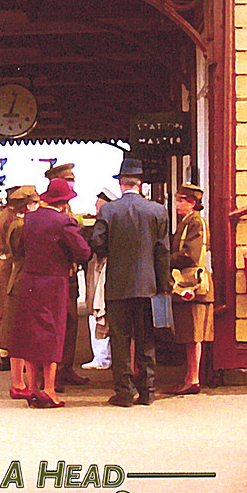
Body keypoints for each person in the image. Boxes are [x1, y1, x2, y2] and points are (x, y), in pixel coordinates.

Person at [90, 158, 170, 407]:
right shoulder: (157, 211)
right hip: (148, 286)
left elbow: (97, 243)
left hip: (117, 286)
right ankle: (147, 391)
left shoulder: (109, 211)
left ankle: (124, 392)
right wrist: (163, 287)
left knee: (120, 340)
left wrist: (112, 253)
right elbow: (162, 252)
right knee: (146, 339)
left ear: (121, 184)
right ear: (141, 183)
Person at [9, 178, 91, 408]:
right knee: (52, 335)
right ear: (64, 203)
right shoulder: (64, 222)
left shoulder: (30, 219)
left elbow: (20, 249)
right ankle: (49, 390)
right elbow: (83, 252)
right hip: (54, 284)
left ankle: (32, 388)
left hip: (30, 282)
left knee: (31, 336)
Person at [44, 162, 90, 389]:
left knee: (70, 324)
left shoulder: (68, 209)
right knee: (54, 326)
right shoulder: (47, 210)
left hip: (69, 276)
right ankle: (50, 375)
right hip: (55, 276)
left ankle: (65, 369)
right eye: (68, 180)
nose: (72, 183)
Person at [169, 183, 214, 395]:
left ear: (192, 203)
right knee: (188, 332)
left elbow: (191, 254)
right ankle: (190, 377)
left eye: (181, 201)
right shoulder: (188, 222)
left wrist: (165, 260)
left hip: (193, 283)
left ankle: (193, 378)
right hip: (188, 282)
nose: (177, 204)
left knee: (194, 333)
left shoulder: (196, 222)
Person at [0, 186, 41, 402]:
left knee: (20, 334)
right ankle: (20, 383)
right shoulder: (22, 226)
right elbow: (25, 254)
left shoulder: (18, 223)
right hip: (23, 280)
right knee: (24, 334)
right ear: (28, 205)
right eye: (35, 202)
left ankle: (21, 383)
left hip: (20, 279)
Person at [81, 187, 118, 370]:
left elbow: (96, 244)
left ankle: (102, 356)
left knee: (97, 309)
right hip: (102, 268)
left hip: (99, 268)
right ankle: (103, 355)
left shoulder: (103, 224)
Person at [0, 185, 20, 371]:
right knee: (11, 309)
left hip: (3, 265)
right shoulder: (11, 220)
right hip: (11, 265)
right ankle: (10, 355)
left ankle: (4, 355)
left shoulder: (1, 218)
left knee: (2, 309)